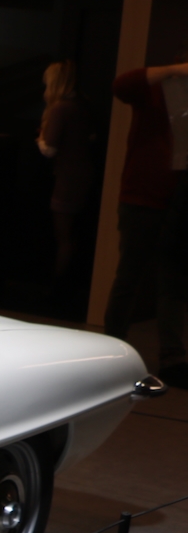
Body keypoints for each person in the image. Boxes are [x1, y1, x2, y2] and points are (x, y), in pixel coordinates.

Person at [103, 58, 188, 384]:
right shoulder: (157, 88)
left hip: (177, 201)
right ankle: (111, 350)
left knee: (173, 282)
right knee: (131, 276)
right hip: (142, 199)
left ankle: (173, 359)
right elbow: (122, 85)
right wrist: (174, 71)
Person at [36, 60, 95, 284]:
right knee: (73, 233)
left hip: (68, 178)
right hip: (83, 175)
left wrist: (41, 138)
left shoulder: (61, 108)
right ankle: (68, 284)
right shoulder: (83, 104)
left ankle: (57, 286)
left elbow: (49, 149)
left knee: (63, 236)